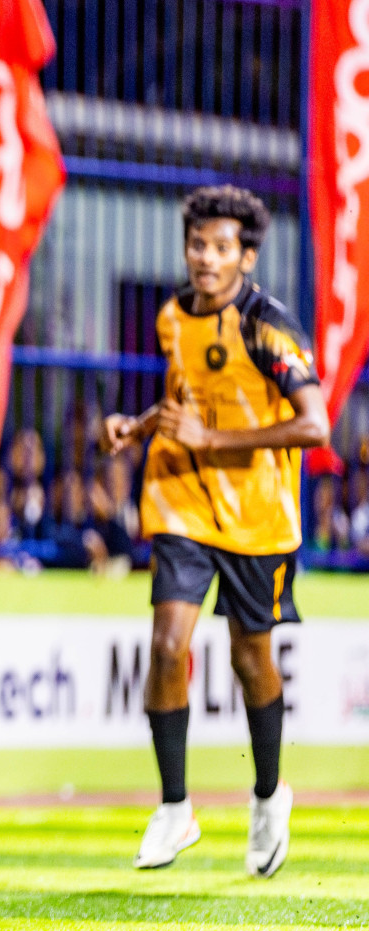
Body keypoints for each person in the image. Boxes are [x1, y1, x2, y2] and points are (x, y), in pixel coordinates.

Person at [100, 185, 328, 877]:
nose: (206, 257)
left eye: (221, 247)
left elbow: (315, 424)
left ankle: (267, 796)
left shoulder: (268, 324)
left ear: (247, 257)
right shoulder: (173, 316)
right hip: (181, 500)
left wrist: (216, 437)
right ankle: (174, 808)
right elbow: (183, 399)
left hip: (258, 518)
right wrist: (137, 427)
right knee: (168, 643)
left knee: (249, 659)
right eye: (198, 244)